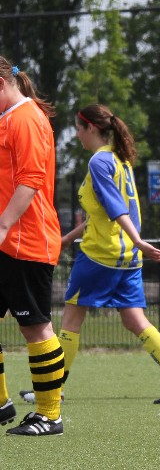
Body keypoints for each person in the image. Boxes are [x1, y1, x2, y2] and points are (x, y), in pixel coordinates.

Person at [55, 104, 160, 404]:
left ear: (91, 128)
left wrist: (139, 240)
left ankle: (52, 390)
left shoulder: (98, 161)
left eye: (78, 129)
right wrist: (66, 240)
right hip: (127, 258)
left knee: (71, 320)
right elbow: (102, 214)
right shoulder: (120, 160)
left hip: (99, 255)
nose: (77, 135)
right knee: (135, 320)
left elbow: (116, 209)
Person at [0, 56, 67, 436]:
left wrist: (3, 224)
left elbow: (31, 179)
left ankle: (49, 415)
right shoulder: (9, 118)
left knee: (37, 328)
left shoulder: (25, 118)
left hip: (26, 241)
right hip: (7, 241)